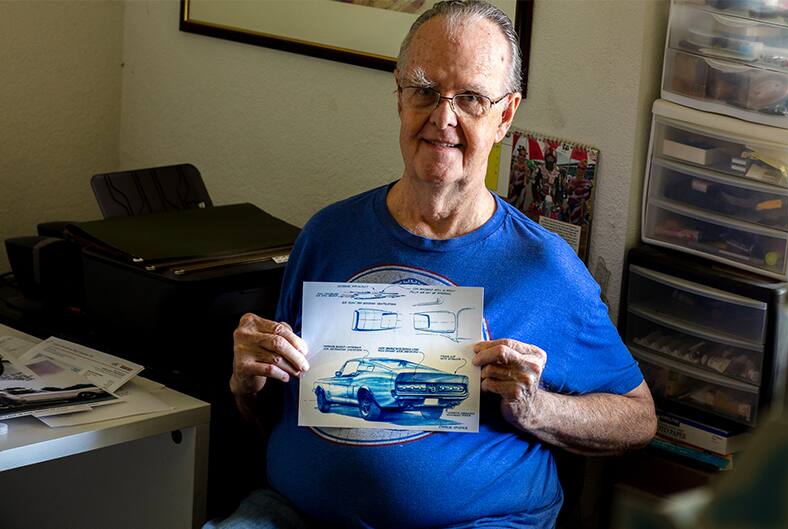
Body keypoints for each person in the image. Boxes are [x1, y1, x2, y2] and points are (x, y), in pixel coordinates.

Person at [215, 1, 656, 528]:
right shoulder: (328, 234)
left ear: (505, 116)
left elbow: (639, 419)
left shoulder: (544, 268)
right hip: (295, 514)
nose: (441, 118)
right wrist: (247, 382)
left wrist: (538, 410)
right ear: (399, 98)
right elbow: (269, 412)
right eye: (423, 90)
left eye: (470, 98)